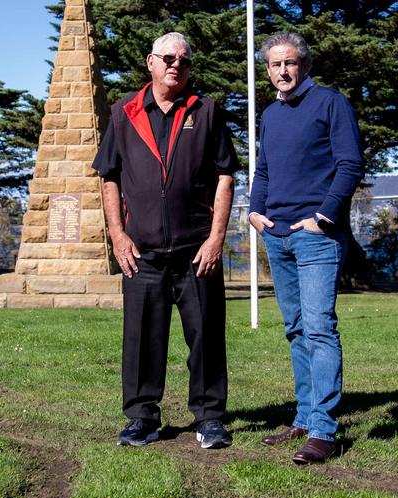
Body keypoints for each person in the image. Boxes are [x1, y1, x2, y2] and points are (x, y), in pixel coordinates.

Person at [92, 31, 239, 449]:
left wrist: (215, 240)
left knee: (207, 338)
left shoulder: (207, 112)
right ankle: (141, 417)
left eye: (185, 60)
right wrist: (118, 237)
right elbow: (109, 177)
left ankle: (209, 418)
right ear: (150, 62)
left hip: (197, 252)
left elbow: (226, 176)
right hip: (142, 254)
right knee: (141, 339)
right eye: (168, 58)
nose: (177, 65)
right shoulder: (123, 113)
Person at [248, 32, 364, 464]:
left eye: (290, 63)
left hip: (315, 236)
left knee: (319, 329)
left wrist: (322, 218)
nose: (283, 71)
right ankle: (304, 416)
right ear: (268, 70)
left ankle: (324, 431)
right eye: (275, 65)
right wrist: (255, 212)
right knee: (296, 329)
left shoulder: (332, 103)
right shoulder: (271, 115)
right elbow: (263, 169)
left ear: (305, 65)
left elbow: (350, 164)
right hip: (276, 235)